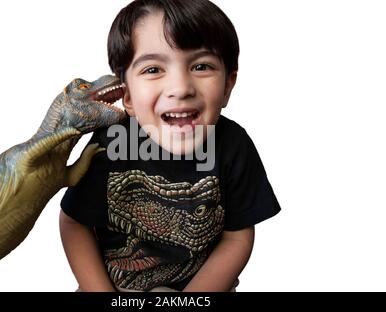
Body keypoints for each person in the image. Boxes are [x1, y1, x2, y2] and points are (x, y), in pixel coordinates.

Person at [59, 0, 281, 292]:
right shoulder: (112, 141)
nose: (180, 87)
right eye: (153, 69)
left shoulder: (233, 146)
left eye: (201, 66)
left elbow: (237, 236)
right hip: (116, 286)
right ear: (126, 95)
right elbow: (75, 223)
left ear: (228, 85)